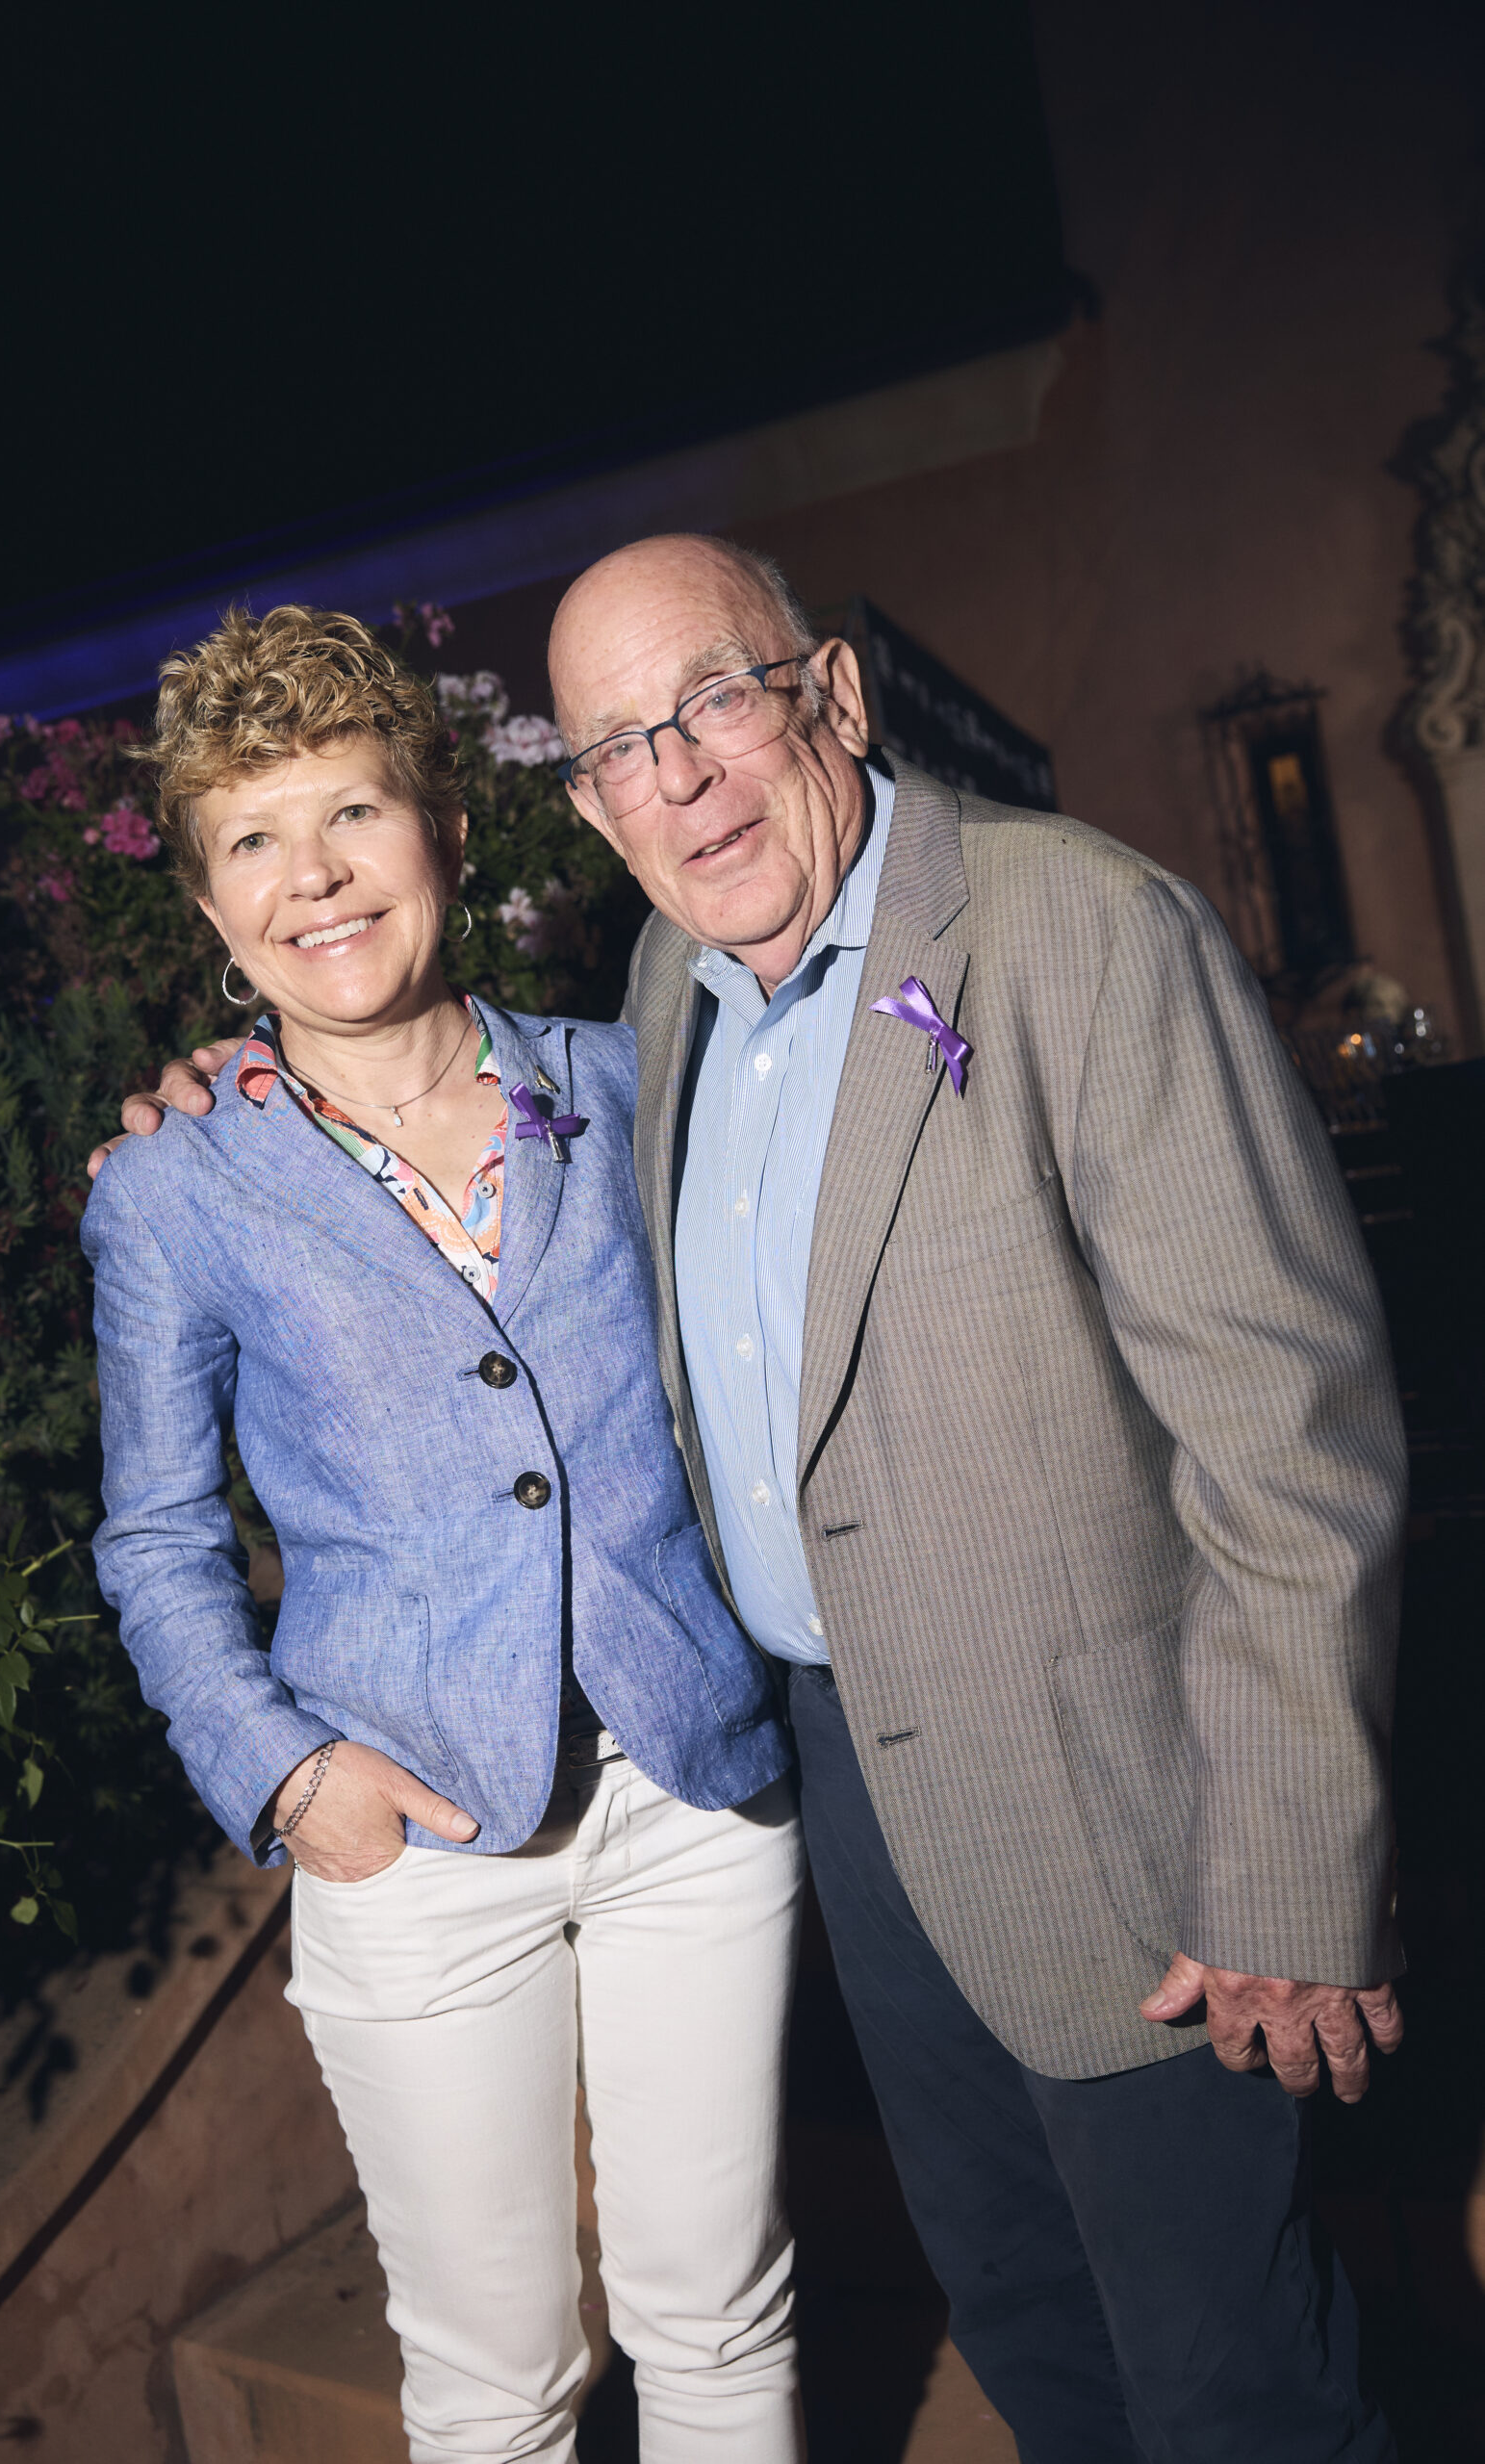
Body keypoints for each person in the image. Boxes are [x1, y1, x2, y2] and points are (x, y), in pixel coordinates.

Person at [106, 538, 1407, 2464]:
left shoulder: (847, 988)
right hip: (649, 1816)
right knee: (961, 2323)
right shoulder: (555, 1042)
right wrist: (284, 1768)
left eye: (713, 699)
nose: (680, 773)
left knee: (1117, 2363)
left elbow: (1284, 1425)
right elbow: (157, 1528)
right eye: (622, 744)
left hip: (900, 1805)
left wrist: (1291, 1854)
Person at [81, 603, 804, 2464]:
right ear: (212, 906)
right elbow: (155, 1538)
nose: (315, 875)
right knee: (498, 2386)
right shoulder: (173, 1186)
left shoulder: (631, 1078)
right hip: (412, 1842)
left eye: (353, 812)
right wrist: (281, 1768)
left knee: (718, 2315)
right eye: (255, 838)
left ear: (448, 836)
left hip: (691, 1800)